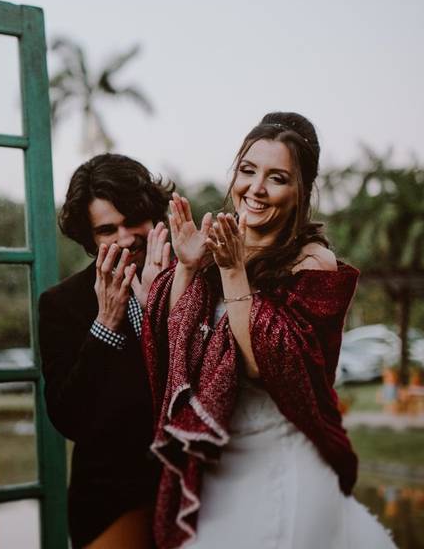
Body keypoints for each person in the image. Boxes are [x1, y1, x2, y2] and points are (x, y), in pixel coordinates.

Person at [142, 112, 395, 548]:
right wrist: (185, 267)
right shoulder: (216, 245)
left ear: (300, 193)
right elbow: (172, 345)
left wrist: (233, 272)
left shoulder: (313, 264)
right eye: (247, 171)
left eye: (276, 178)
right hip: (213, 461)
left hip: (278, 459)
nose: (255, 189)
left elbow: (266, 365)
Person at [38, 153, 173, 548]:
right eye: (107, 229)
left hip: (201, 490)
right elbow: (67, 418)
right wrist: (106, 324)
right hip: (111, 500)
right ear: (89, 238)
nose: (127, 237)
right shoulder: (62, 304)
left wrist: (161, 312)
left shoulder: (194, 277)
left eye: (134, 220)